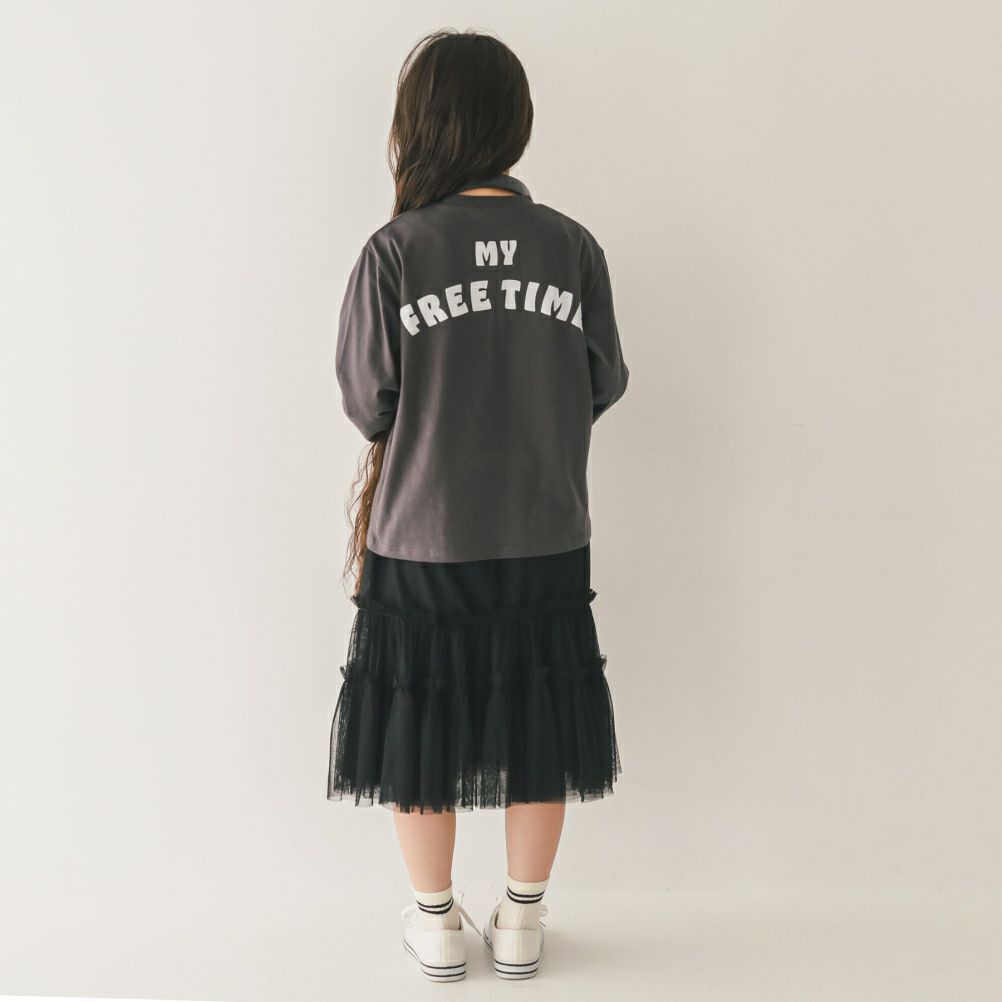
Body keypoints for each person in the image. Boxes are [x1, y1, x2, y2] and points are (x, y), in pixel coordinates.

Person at [327, 28, 630, 982]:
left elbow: (366, 401)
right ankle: (524, 921)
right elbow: (605, 380)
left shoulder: (396, 251)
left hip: (422, 535)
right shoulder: (571, 247)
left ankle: (436, 923)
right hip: (546, 528)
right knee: (540, 712)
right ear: (515, 123)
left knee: (418, 717)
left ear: (420, 125)